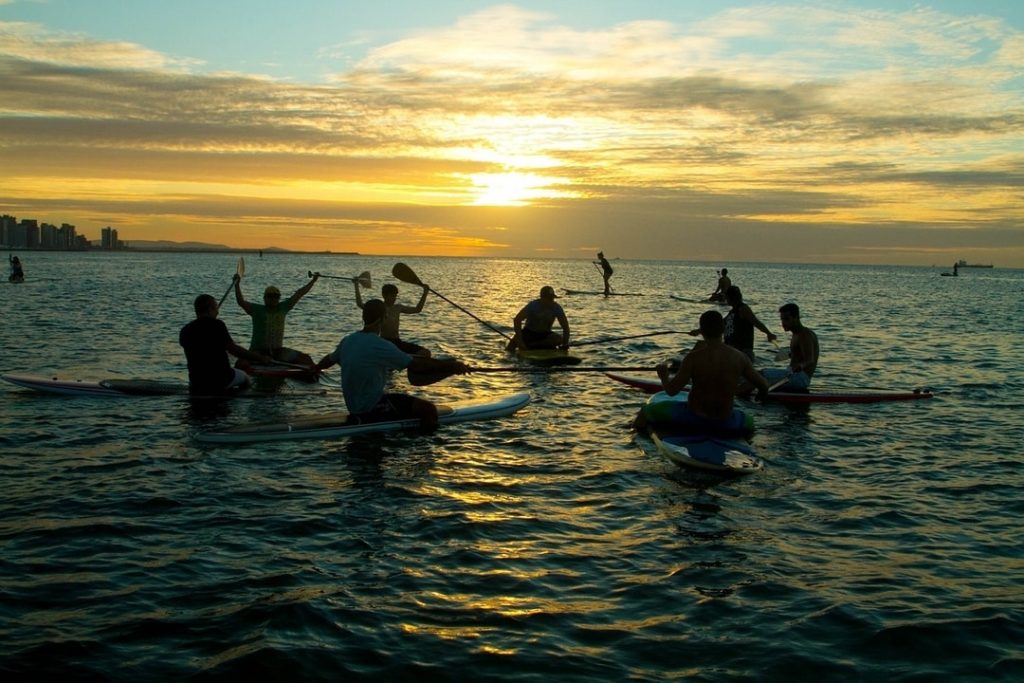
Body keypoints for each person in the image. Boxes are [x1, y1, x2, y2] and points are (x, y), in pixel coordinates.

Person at [314, 299, 469, 431]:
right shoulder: (380, 345)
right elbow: (416, 366)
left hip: (353, 406)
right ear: (382, 319)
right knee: (428, 409)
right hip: (371, 406)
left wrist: (314, 369)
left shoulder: (348, 340)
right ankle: (421, 449)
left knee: (396, 400)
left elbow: (329, 360)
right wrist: (452, 367)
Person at [633, 310, 769, 434]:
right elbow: (764, 386)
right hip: (726, 421)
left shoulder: (693, 358)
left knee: (645, 411)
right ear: (723, 329)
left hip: (694, 418)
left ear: (702, 331)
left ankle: (634, 436)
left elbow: (671, 391)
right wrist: (760, 396)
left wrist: (664, 376)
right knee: (750, 422)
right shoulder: (740, 358)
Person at [179, 294, 272, 395]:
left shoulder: (185, 330)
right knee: (245, 377)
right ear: (210, 309)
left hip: (196, 382)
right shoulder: (217, 325)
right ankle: (240, 398)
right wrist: (261, 358)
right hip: (222, 379)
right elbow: (234, 350)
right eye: (216, 308)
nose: (217, 312)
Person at [233, 272, 319, 365]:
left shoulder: (283, 307)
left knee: (306, 359)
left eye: (276, 296)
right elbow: (241, 302)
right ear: (265, 298)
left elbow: (300, 293)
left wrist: (313, 281)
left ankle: (313, 372)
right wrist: (237, 285)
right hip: (258, 352)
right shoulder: (256, 310)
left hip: (278, 352)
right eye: (270, 296)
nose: (273, 299)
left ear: (278, 298)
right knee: (241, 363)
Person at [689, 286, 777, 362]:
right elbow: (718, 325)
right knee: (701, 345)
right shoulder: (732, 312)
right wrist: (699, 331)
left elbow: (756, 322)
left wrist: (768, 333)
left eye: (726, 297)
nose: (726, 299)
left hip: (741, 351)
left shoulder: (743, 309)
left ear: (730, 297)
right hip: (730, 350)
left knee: (701, 346)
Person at [753, 302, 818, 392]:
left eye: (787, 319)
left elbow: (810, 360)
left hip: (800, 378)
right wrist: (789, 355)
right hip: (792, 375)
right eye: (782, 319)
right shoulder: (796, 334)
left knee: (759, 375)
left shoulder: (805, 334)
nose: (783, 323)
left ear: (796, 318)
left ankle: (737, 395)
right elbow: (799, 355)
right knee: (755, 377)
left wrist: (800, 366)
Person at [355, 279, 430, 357]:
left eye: (395, 296)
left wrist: (425, 294)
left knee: (425, 352)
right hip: (384, 341)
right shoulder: (379, 308)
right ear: (384, 296)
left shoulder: (398, 308)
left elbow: (417, 309)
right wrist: (356, 285)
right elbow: (360, 304)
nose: (394, 298)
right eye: (392, 296)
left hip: (397, 341)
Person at [508, 285, 571, 350]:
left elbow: (565, 327)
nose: (550, 301)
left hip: (545, 334)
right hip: (529, 332)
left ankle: (533, 345)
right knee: (512, 344)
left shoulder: (557, 308)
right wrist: (520, 342)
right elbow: (517, 320)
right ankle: (529, 345)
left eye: (552, 298)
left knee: (558, 339)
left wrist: (565, 344)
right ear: (542, 297)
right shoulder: (533, 305)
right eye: (548, 298)